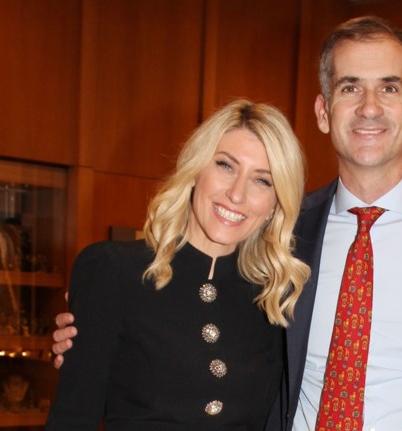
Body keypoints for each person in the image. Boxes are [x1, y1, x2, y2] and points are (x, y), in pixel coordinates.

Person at [54, 15, 402, 430]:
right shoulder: (285, 235)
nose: (370, 107)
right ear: (323, 110)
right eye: (350, 87)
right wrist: (89, 338)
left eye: (389, 87)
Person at [45, 99, 310, 430]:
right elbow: (72, 418)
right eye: (225, 166)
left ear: (275, 204)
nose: (237, 194)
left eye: (262, 181)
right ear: (196, 169)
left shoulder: (275, 301)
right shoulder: (114, 270)